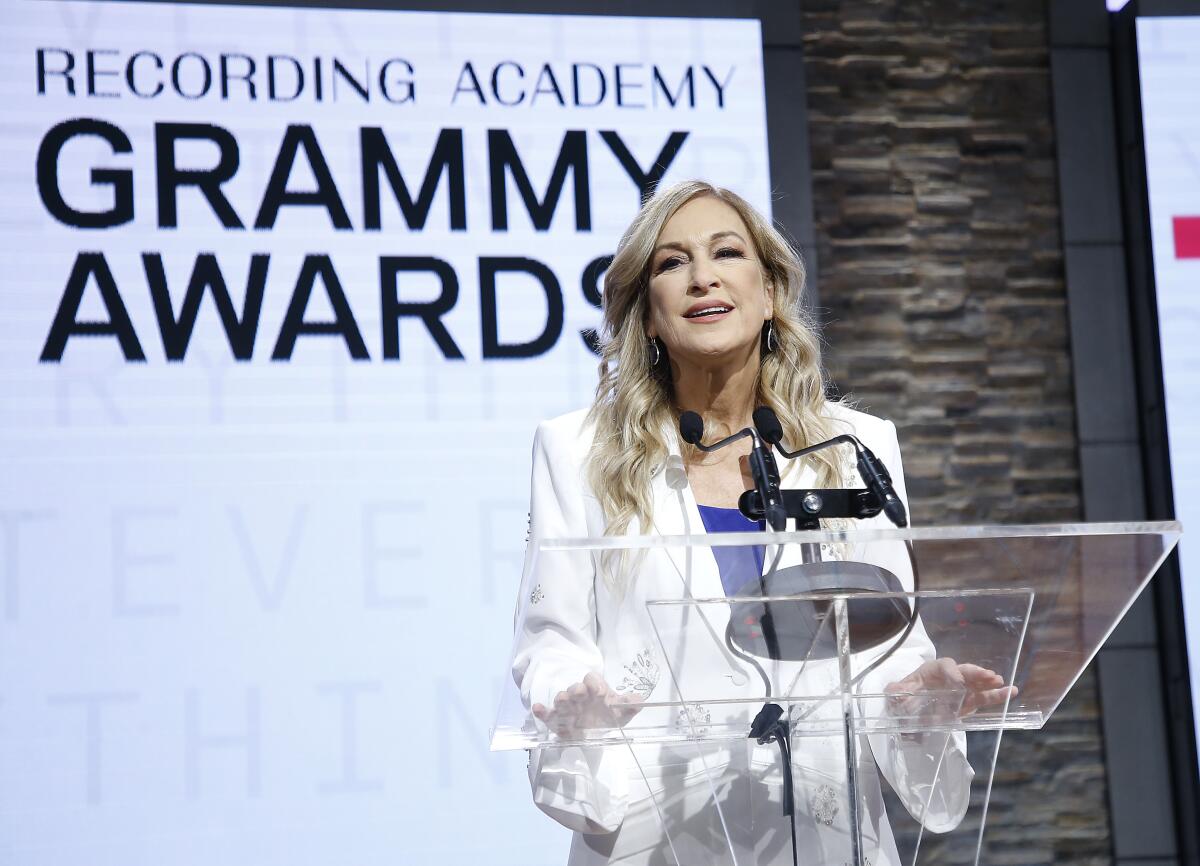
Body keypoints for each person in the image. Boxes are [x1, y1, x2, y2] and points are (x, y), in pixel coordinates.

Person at [509, 180, 1014, 866]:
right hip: (658, 832)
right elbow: (550, 642)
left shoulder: (853, 449)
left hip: (827, 830)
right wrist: (575, 703)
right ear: (648, 316)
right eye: (671, 263)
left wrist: (918, 699)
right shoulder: (577, 451)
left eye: (726, 252)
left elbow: (892, 641)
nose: (703, 276)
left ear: (770, 292)